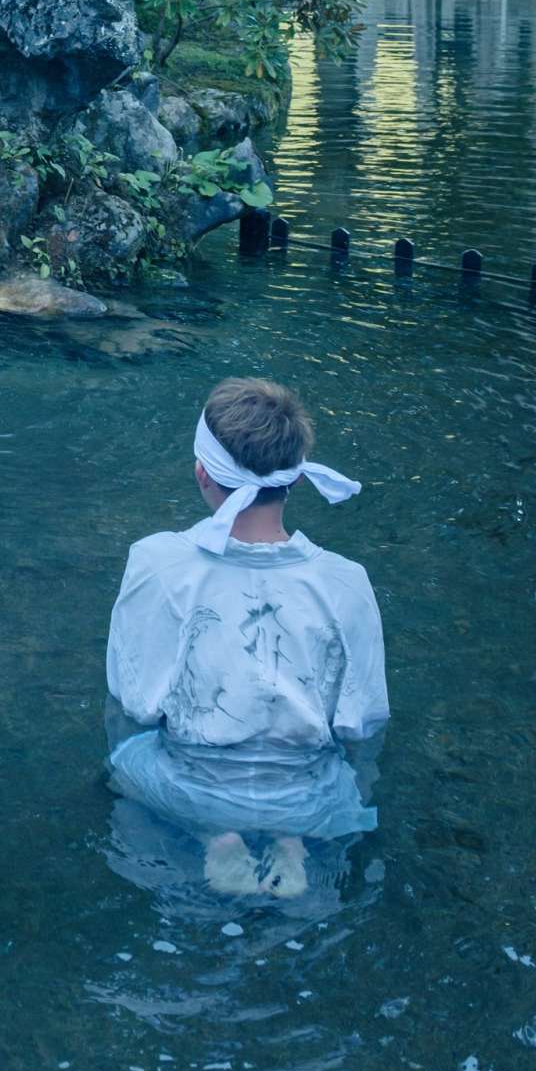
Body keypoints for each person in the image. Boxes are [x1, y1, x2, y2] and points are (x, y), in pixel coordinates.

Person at [104, 377, 388, 901]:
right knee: (336, 778)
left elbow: (134, 702)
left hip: (191, 787)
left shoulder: (156, 561)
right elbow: (361, 722)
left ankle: (214, 835)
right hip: (310, 797)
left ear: (202, 473)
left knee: (124, 763)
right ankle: (292, 842)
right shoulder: (347, 579)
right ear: (296, 480)